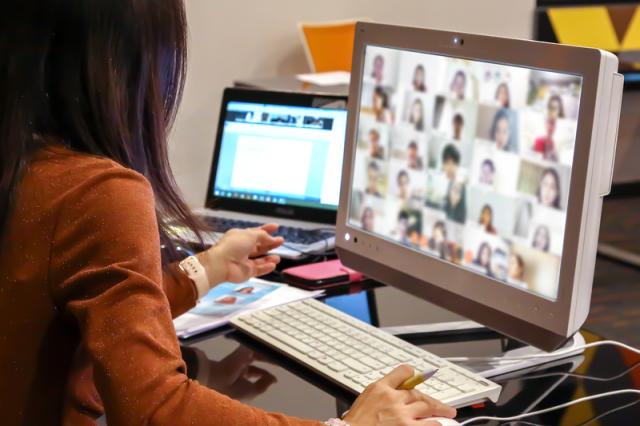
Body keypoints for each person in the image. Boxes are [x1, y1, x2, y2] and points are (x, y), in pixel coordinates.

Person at [0, 2, 458, 425]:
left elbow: (70, 295)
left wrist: (205, 270)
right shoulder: (94, 189)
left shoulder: (25, 163)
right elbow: (154, 409)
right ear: (128, 63)